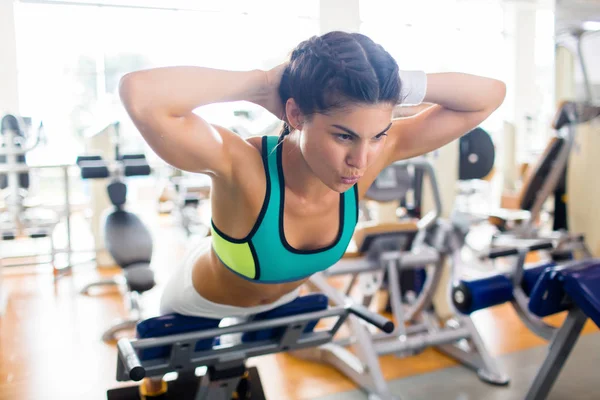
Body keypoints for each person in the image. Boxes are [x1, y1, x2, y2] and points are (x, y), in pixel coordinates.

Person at [119, 31, 506, 320]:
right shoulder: (242, 164)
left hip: (280, 308)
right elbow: (140, 93)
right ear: (295, 114)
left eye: (377, 135)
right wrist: (263, 83)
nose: (360, 160)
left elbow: (490, 95)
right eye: (344, 136)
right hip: (199, 304)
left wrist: (396, 87)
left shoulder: (375, 154)